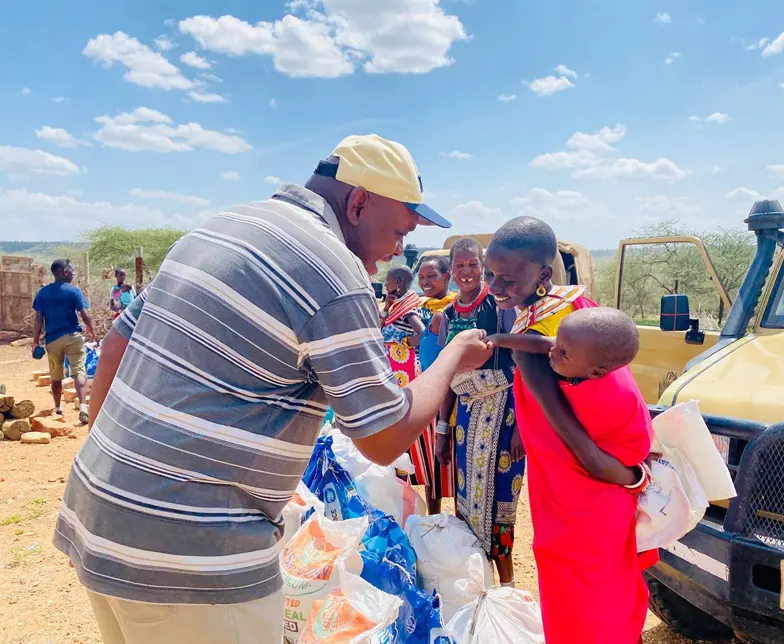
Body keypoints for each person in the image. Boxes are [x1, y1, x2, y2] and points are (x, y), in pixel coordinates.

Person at [54, 134, 493, 644]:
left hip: (99, 515)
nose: (400, 249)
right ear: (357, 203)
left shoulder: (221, 227)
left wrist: (135, 481)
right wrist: (456, 358)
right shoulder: (331, 269)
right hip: (197, 562)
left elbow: (114, 349)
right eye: (399, 230)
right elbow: (383, 436)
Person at [485, 216, 652, 644]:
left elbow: (567, 427)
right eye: (491, 275)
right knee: (605, 580)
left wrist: (622, 472)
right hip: (593, 481)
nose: (495, 286)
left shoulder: (543, 327)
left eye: (506, 278)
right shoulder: (571, 306)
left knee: (581, 584)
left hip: (586, 484)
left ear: (543, 274)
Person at [435, 237, 523, 587]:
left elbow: (521, 364)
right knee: (466, 503)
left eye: (473, 265)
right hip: (466, 419)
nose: (467, 272)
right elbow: (446, 374)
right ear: (452, 270)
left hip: (504, 416)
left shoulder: (500, 307)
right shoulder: (449, 314)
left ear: (483, 267)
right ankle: (476, 583)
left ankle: (508, 590)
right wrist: (442, 430)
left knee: (502, 505)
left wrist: (522, 428)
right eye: (460, 266)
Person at [380, 265, 438, 509]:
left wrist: (403, 341)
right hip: (396, 373)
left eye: (389, 282)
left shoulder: (408, 310)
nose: (385, 286)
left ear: (399, 283)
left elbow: (424, 334)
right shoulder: (395, 305)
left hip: (406, 373)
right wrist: (386, 303)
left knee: (407, 427)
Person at [32, 259, 96, 424]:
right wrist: (92, 331)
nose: (73, 273)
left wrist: (35, 342)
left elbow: (38, 319)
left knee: (56, 375)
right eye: (71, 271)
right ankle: (83, 407)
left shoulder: (42, 293)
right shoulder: (74, 291)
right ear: (63, 272)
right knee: (78, 372)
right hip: (72, 337)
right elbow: (85, 314)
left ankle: (58, 409)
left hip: (52, 340)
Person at [416, 257, 456, 512]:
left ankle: (457, 522)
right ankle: (434, 517)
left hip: (447, 393)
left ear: (446, 276)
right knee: (432, 460)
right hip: (428, 390)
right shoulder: (424, 308)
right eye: (421, 278)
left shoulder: (453, 309)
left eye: (431, 276)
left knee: (448, 457)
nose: (425, 282)